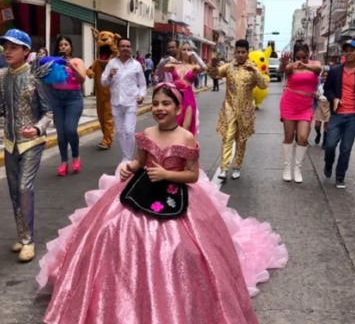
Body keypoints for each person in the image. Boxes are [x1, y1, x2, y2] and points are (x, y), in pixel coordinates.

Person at [37, 84, 286, 324]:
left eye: (166, 103)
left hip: (174, 194)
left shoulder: (186, 138)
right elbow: (139, 161)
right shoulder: (147, 134)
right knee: (109, 230)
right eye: (155, 103)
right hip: (140, 190)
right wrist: (129, 170)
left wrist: (167, 175)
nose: (159, 108)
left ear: (178, 109)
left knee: (181, 248)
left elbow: (192, 175)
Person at [0, 29, 54, 262]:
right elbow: (0, 107)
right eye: (5, 46)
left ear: (26, 51)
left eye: (14, 47)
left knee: (25, 188)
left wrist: (37, 129)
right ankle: (22, 234)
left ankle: (28, 241)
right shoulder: (2, 75)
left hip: (32, 142)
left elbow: (48, 112)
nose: (7, 51)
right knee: (14, 191)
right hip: (9, 141)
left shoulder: (37, 77)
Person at [215, 39, 269, 180]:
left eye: (242, 52)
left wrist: (256, 71)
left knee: (241, 139)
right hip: (229, 107)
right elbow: (215, 74)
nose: (240, 55)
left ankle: (237, 166)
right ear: (235, 52)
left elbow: (263, 85)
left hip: (245, 109)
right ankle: (224, 168)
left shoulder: (252, 69)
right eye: (237, 52)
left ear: (247, 52)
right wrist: (212, 66)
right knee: (228, 136)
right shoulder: (228, 67)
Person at [323, 40, 355, 189]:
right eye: (346, 50)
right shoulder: (335, 70)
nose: (349, 53)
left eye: (352, 50)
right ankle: (329, 163)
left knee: (346, 149)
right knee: (330, 145)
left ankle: (340, 176)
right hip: (337, 114)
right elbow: (327, 89)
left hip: (353, 116)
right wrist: (334, 98)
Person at [279, 44, 321, 183]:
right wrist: (284, 63)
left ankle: (298, 168)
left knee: (302, 137)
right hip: (289, 103)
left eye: (305, 57)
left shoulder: (315, 65)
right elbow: (284, 69)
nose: (301, 60)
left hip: (306, 107)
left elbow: (318, 69)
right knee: (289, 136)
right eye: (298, 57)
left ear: (310, 54)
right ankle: (287, 168)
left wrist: (304, 64)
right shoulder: (292, 66)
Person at [101, 38, 146, 162]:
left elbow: (142, 84)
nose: (126, 48)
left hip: (131, 101)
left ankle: (128, 158)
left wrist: (141, 95)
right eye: (123, 46)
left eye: (128, 46)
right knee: (120, 131)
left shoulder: (136, 65)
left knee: (129, 130)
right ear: (118, 48)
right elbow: (103, 82)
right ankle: (126, 156)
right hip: (116, 102)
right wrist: (110, 75)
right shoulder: (111, 64)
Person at [49, 35, 86, 176]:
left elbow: (82, 79)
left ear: (71, 46)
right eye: (60, 45)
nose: (63, 47)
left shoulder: (77, 61)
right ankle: (64, 161)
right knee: (61, 133)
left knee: (70, 129)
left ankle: (76, 156)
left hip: (73, 99)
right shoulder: (53, 62)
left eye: (66, 44)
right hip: (57, 99)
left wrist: (71, 67)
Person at [86, 28, 120, 150]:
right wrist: (90, 73)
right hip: (100, 96)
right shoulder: (96, 62)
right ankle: (105, 137)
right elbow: (89, 69)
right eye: (102, 37)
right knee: (101, 118)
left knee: (108, 119)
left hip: (112, 96)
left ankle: (107, 140)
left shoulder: (116, 61)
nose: (104, 39)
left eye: (109, 38)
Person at [314, 67, 330, 146]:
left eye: (327, 76)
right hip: (320, 104)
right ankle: (318, 134)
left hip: (328, 105)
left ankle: (324, 142)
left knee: (326, 125)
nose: (325, 77)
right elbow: (317, 95)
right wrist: (316, 96)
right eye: (324, 76)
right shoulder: (320, 86)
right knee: (317, 124)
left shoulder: (333, 86)